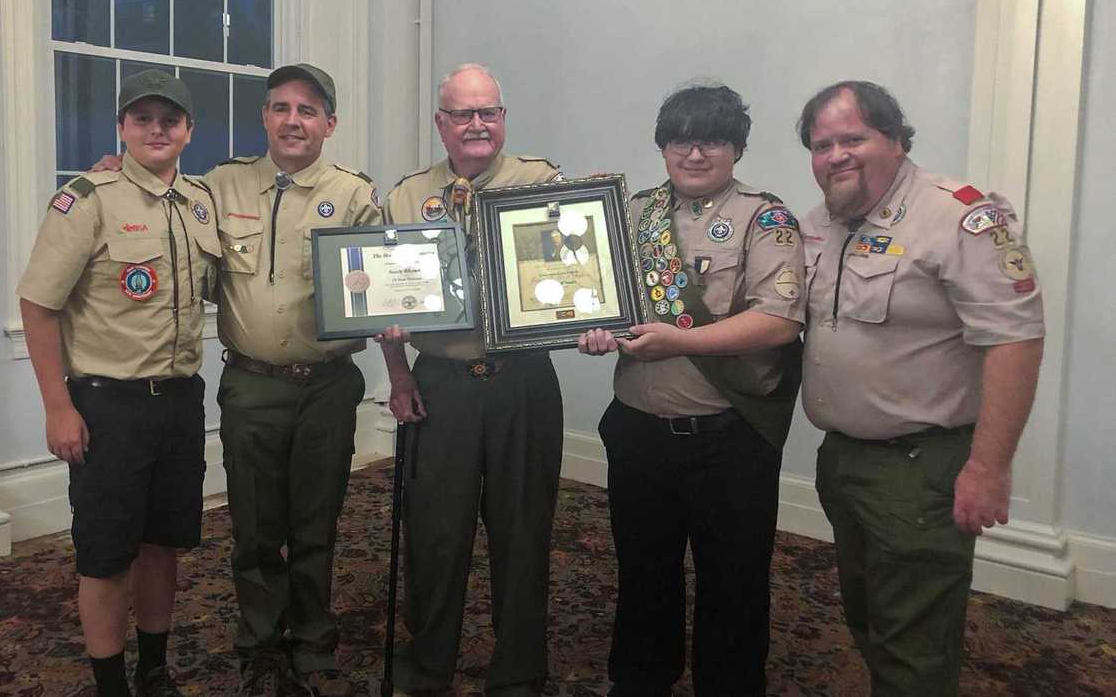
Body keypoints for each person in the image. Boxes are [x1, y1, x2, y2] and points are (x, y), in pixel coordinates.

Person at [92, 63, 380, 697]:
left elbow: (388, 277)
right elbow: (158, 189)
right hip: (251, 386)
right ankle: (259, 644)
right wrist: (119, 170)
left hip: (327, 384)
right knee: (254, 528)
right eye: (281, 107)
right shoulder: (218, 187)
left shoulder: (357, 194)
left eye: (308, 110)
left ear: (329, 124)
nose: (293, 120)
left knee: (316, 520)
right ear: (265, 118)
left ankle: (312, 639)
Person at [796, 80, 1045, 696]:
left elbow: (1015, 340)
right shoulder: (814, 225)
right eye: (822, 144)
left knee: (915, 645)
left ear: (897, 139)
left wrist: (989, 469)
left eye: (853, 138)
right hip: (844, 461)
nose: (836, 156)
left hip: (920, 468)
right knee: (870, 617)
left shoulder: (959, 216)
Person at [577, 84, 805, 696]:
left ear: (737, 148)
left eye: (713, 140)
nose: (695, 153)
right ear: (663, 146)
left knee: (734, 582)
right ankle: (640, 682)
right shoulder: (633, 213)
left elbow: (778, 321)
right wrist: (588, 327)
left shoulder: (767, 219)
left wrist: (680, 342)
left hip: (727, 438)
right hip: (639, 430)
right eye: (682, 139)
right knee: (643, 574)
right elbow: (592, 293)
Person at [19, 69, 220, 697]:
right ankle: (110, 683)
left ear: (189, 130)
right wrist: (58, 406)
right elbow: (38, 304)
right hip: (109, 407)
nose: (156, 130)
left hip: (180, 402)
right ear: (122, 128)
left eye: (169, 120)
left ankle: (154, 670)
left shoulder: (200, 203)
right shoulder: (87, 199)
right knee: (106, 556)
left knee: (164, 545)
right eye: (142, 120)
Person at [376, 63, 563, 696]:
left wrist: (592, 316)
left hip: (524, 383)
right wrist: (399, 376)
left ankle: (518, 675)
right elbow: (382, 302)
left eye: (489, 112)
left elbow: (577, 267)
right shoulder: (405, 196)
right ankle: (428, 668)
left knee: (523, 532)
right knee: (433, 533)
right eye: (463, 114)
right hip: (443, 384)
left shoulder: (544, 183)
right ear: (442, 124)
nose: (477, 124)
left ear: (503, 119)